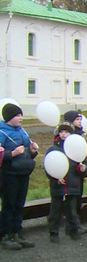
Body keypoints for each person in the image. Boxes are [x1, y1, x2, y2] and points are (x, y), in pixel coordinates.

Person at [0, 103, 39, 249]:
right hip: (9, 174)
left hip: (23, 172)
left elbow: (27, 151)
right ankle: (6, 235)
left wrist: (33, 150)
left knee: (19, 204)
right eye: (17, 115)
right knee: (9, 205)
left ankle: (17, 232)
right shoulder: (2, 132)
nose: (21, 118)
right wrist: (12, 154)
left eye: (21, 115)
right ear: (10, 117)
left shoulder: (22, 131)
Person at [46, 123, 87, 242]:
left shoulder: (77, 148)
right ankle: (53, 233)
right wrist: (55, 177)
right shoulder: (53, 149)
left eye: (66, 132)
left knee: (72, 211)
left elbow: (84, 165)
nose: (64, 134)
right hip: (57, 186)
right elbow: (48, 167)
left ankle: (73, 230)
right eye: (62, 131)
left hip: (72, 185)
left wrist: (83, 169)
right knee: (55, 211)